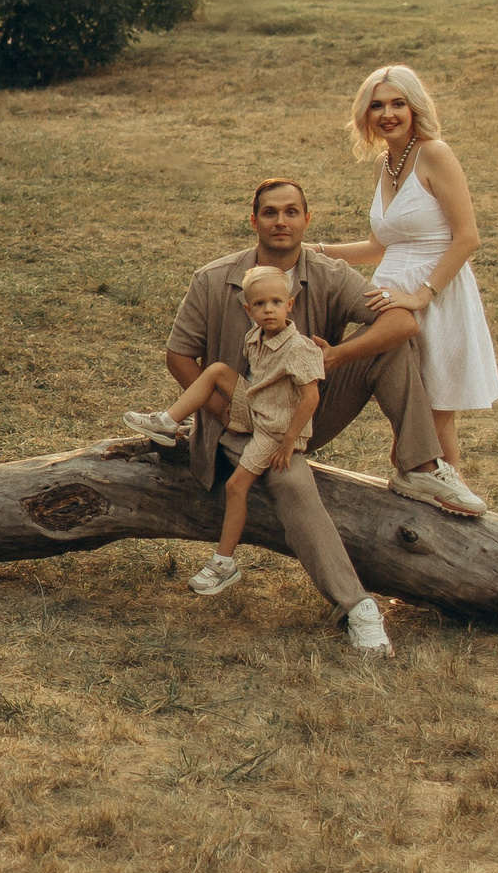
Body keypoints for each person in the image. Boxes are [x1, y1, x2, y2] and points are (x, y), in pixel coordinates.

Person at [152, 177, 452, 655]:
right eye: (270, 212)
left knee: (392, 348)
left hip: (306, 409)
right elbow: (179, 357)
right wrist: (226, 411)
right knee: (291, 481)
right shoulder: (215, 278)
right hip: (241, 422)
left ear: (307, 220)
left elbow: (402, 321)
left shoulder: (328, 274)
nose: (281, 221)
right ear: (254, 221)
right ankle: (357, 606)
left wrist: (335, 358)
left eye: (292, 212)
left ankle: (419, 467)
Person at [312, 65, 498, 515]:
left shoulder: (435, 153)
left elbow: (468, 237)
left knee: (433, 425)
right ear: (365, 114)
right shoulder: (385, 162)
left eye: (398, 103)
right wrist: (315, 250)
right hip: (390, 298)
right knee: (408, 433)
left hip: (436, 297)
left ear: (415, 107)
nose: (387, 113)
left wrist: (423, 295)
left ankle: (449, 534)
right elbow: (381, 245)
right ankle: (418, 531)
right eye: (377, 105)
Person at [124, 264, 324, 598]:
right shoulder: (254, 338)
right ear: (249, 310)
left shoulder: (299, 348)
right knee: (216, 369)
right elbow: (259, 383)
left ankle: (224, 563)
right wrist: (237, 410)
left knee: (235, 486)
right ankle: (167, 422)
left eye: (276, 301)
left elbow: (310, 397)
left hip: (275, 429)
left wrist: (289, 441)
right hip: (257, 408)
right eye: (259, 304)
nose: (268, 309)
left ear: (290, 304)